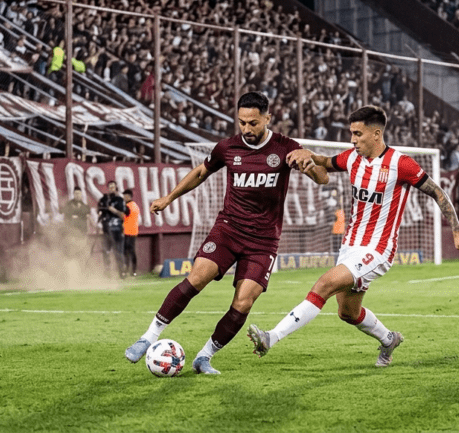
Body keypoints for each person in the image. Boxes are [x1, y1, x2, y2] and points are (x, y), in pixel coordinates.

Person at [248, 105, 459, 367]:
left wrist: (457, 231)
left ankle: (271, 338)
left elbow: (438, 193)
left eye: (358, 134)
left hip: (378, 249)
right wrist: (307, 155)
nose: (353, 140)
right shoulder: (353, 158)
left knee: (324, 285)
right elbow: (327, 163)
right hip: (350, 246)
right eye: (351, 133)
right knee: (347, 312)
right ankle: (389, 339)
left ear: (376, 134)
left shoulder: (401, 164)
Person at [124, 91, 327, 375]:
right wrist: (169, 198)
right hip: (228, 229)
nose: (247, 129)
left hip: (264, 241)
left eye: (253, 123)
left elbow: (323, 178)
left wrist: (311, 161)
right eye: (242, 122)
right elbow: (200, 173)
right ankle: (148, 337)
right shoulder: (227, 148)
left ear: (267, 118)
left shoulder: (286, 147)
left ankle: (204, 356)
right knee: (197, 277)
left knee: (244, 301)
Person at [97, 181, 127, 275]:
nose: (111, 188)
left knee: (118, 252)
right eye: (110, 187)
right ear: (107, 188)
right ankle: (107, 272)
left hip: (117, 230)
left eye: (113, 187)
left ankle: (121, 271)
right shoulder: (103, 199)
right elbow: (99, 212)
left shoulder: (119, 200)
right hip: (106, 229)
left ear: (116, 188)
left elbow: (123, 215)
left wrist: (114, 210)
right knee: (106, 251)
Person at [122, 188, 140, 277]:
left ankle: (128, 269)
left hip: (128, 232)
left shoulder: (129, 206)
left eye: (124, 196)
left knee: (127, 252)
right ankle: (133, 270)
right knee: (131, 251)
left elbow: (125, 213)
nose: (123, 198)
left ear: (128, 196)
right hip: (133, 231)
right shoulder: (135, 205)